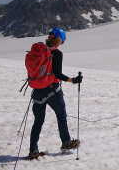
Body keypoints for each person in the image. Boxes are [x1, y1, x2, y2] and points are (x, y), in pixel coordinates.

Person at [28, 27, 83, 159]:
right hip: (52, 90)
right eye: (62, 41)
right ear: (59, 40)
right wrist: (73, 80)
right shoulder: (57, 53)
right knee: (61, 115)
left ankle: (33, 150)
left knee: (38, 121)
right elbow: (57, 73)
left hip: (37, 92)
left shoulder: (39, 50)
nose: (62, 43)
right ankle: (66, 142)